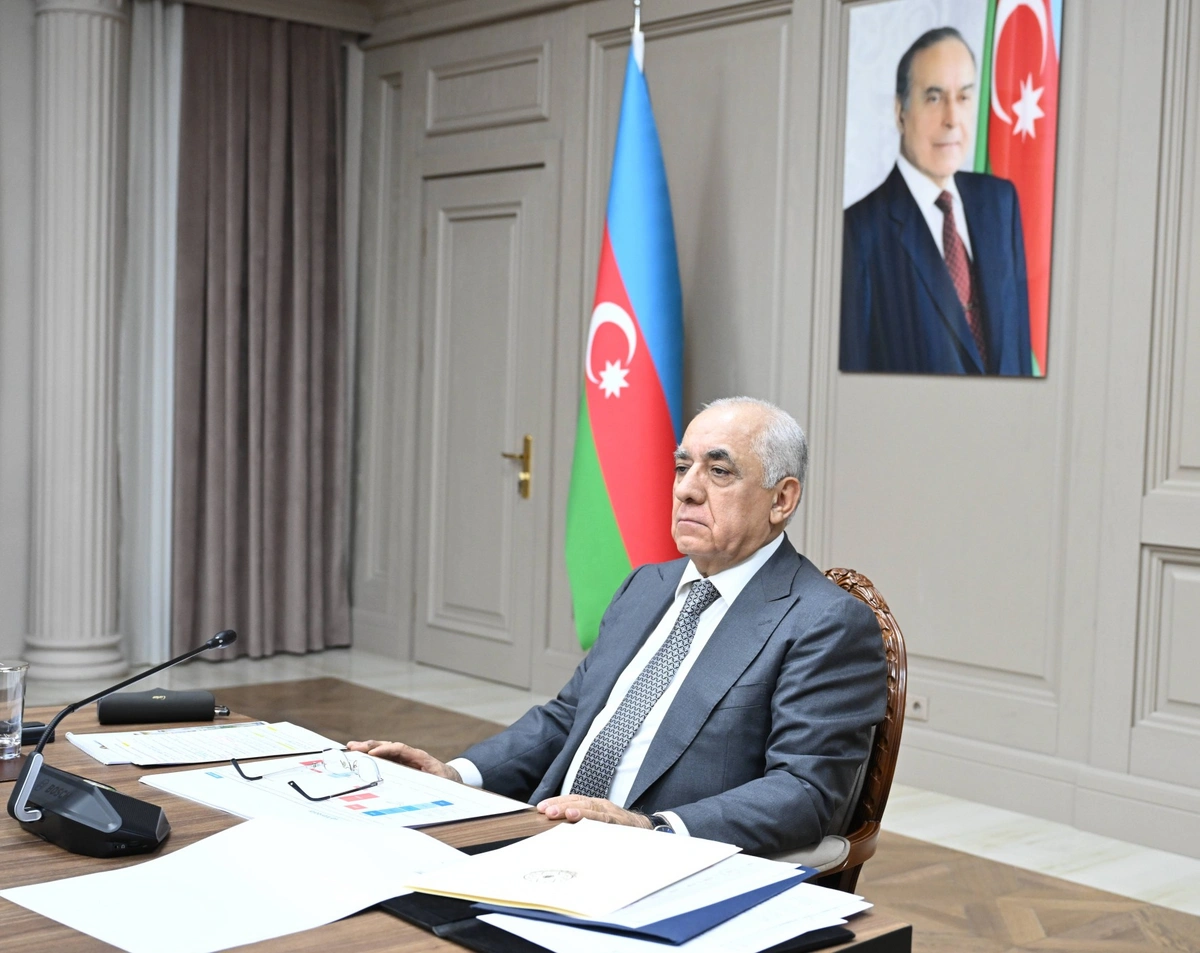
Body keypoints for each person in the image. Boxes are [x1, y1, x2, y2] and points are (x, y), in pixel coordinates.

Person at [350, 398, 886, 855]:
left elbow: (806, 791)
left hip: (661, 865)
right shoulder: (647, 586)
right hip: (545, 835)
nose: (687, 490)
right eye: (682, 467)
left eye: (719, 472)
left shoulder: (825, 622)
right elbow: (568, 718)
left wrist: (649, 829)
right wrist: (456, 774)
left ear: (782, 499)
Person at [840, 27, 1033, 376]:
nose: (952, 119)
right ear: (900, 112)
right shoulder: (858, 231)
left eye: (963, 97)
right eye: (934, 97)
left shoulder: (1001, 203)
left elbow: (1018, 354)